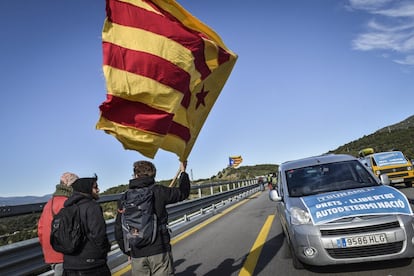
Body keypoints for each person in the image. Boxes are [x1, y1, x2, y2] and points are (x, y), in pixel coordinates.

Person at [115, 160, 190, 276]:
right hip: (159, 250)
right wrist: (183, 172)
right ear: (153, 174)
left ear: (135, 175)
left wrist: (128, 251)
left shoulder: (124, 198)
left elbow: (119, 229)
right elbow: (183, 192)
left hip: (137, 252)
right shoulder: (159, 191)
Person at [62, 175, 111, 276]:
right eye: (95, 187)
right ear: (87, 189)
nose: (98, 190)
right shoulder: (92, 207)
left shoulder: (67, 208)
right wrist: (102, 253)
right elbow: (99, 236)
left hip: (69, 265)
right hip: (91, 265)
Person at [38, 172, 79, 276]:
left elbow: (40, 230)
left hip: (51, 252)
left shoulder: (49, 203)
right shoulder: (69, 202)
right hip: (66, 254)